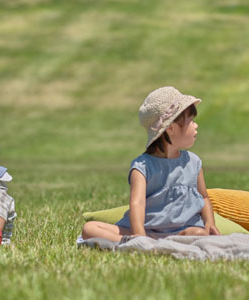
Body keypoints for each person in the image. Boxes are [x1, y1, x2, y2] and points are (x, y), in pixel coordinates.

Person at [81, 86, 219, 241]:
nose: (196, 125)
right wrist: (140, 235)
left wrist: (209, 222)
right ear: (171, 129)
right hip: (146, 231)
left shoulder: (193, 163)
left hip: (182, 232)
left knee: (199, 234)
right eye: (191, 121)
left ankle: (146, 245)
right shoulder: (142, 167)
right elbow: (137, 204)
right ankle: (142, 243)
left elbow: (204, 197)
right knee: (90, 228)